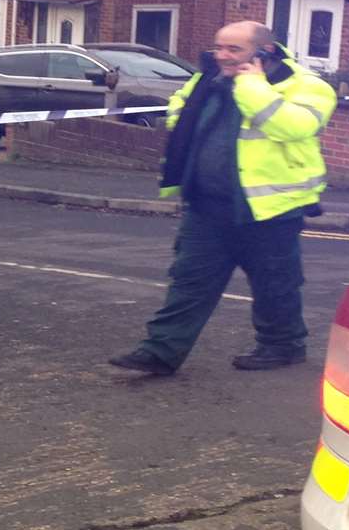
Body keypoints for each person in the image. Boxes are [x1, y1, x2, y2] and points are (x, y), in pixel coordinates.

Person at [108, 21, 337, 376]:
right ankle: (160, 351)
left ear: (265, 52)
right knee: (188, 281)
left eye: (234, 50)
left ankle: (283, 345)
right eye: (219, 48)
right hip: (206, 206)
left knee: (275, 284)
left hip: (270, 209)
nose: (222, 56)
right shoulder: (209, 79)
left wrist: (251, 84)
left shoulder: (308, 87)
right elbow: (180, 109)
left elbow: (291, 127)